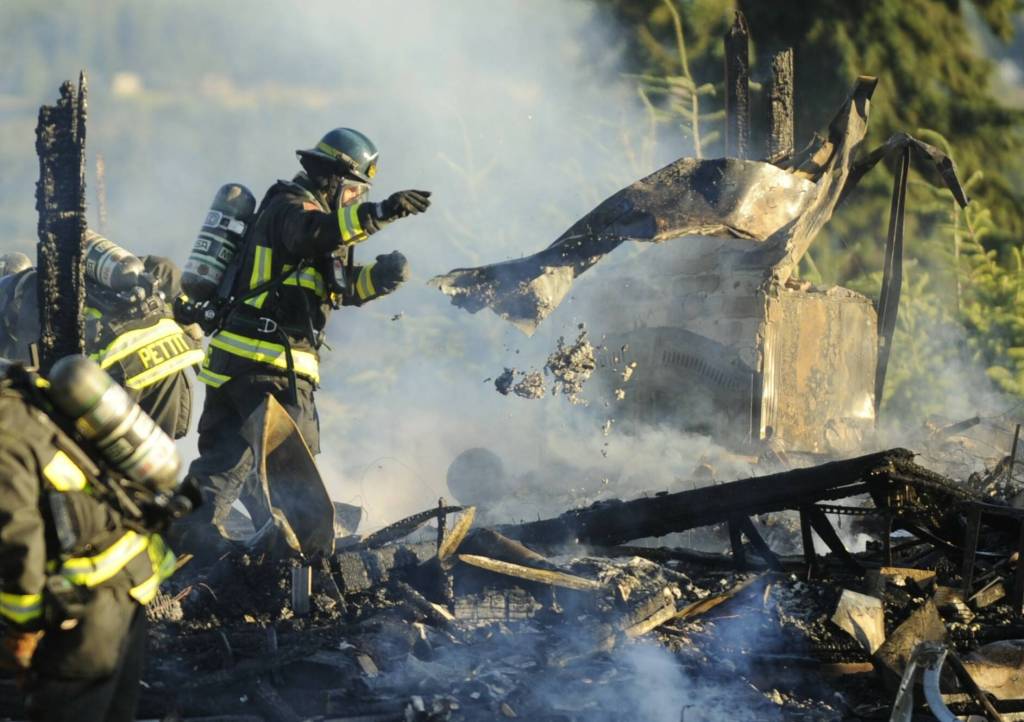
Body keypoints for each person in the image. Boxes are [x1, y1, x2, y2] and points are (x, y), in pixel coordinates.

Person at [180, 127, 430, 552]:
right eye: (353, 191)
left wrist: (379, 279)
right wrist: (382, 212)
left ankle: (191, 552)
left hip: (236, 367)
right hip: (272, 370)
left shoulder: (306, 217)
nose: (355, 199)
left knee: (222, 469)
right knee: (294, 478)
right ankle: (306, 570)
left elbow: (334, 288)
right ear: (333, 178)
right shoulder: (292, 208)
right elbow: (312, 234)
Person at [0, 357, 178, 722]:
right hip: (131, 579)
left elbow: (17, 539)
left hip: (86, 607)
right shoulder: (21, 391)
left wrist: (23, 630)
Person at [0, 246, 204, 440]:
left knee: (104, 457)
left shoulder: (24, 300)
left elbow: (39, 379)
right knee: (155, 457)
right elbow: (164, 267)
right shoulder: (78, 273)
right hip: (169, 352)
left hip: (122, 365)